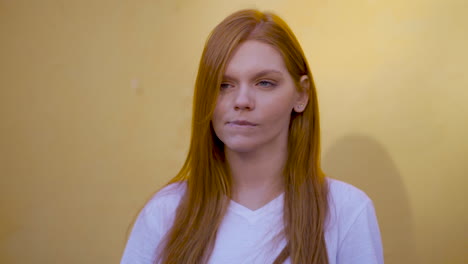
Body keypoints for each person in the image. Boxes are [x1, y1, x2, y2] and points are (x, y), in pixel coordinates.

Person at [121, 9, 383, 264]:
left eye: (264, 83)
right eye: (224, 85)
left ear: (301, 95)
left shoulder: (347, 211)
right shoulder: (165, 213)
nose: (242, 101)